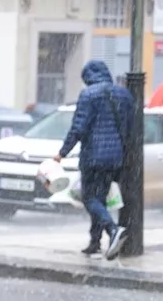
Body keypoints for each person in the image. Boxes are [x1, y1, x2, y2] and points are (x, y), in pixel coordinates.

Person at [54, 60, 134, 260]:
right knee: (100, 199)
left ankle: (113, 230)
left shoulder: (89, 95)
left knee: (90, 199)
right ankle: (95, 242)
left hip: (93, 156)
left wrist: (62, 153)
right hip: (114, 157)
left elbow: (78, 128)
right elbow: (129, 128)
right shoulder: (123, 94)